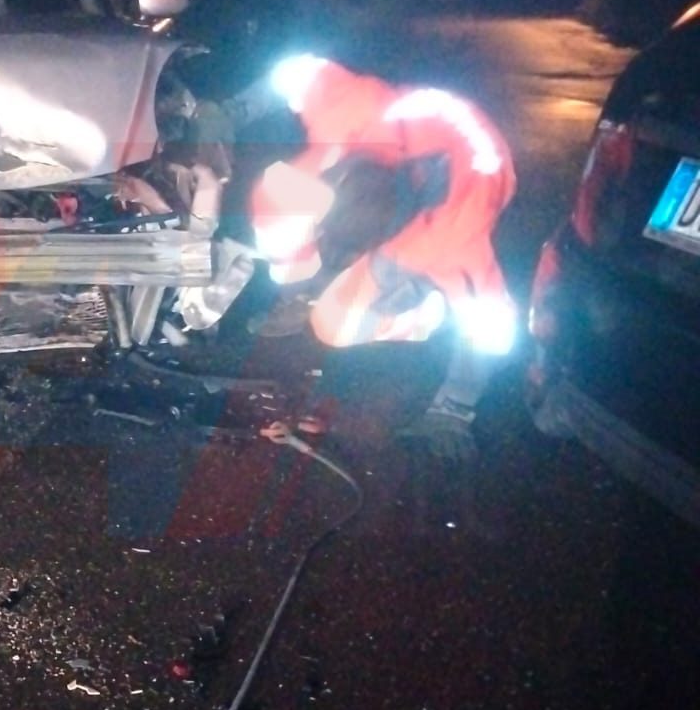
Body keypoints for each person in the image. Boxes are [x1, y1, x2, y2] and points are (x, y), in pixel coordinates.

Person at [213, 53, 519, 452]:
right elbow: (297, 69)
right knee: (281, 205)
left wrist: (454, 409)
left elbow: (491, 329)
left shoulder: (457, 229)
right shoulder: (347, 114)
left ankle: (420, 310)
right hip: (407, 150)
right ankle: (305, 287)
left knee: (337, 325)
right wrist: (230, 112)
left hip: (463, 184)